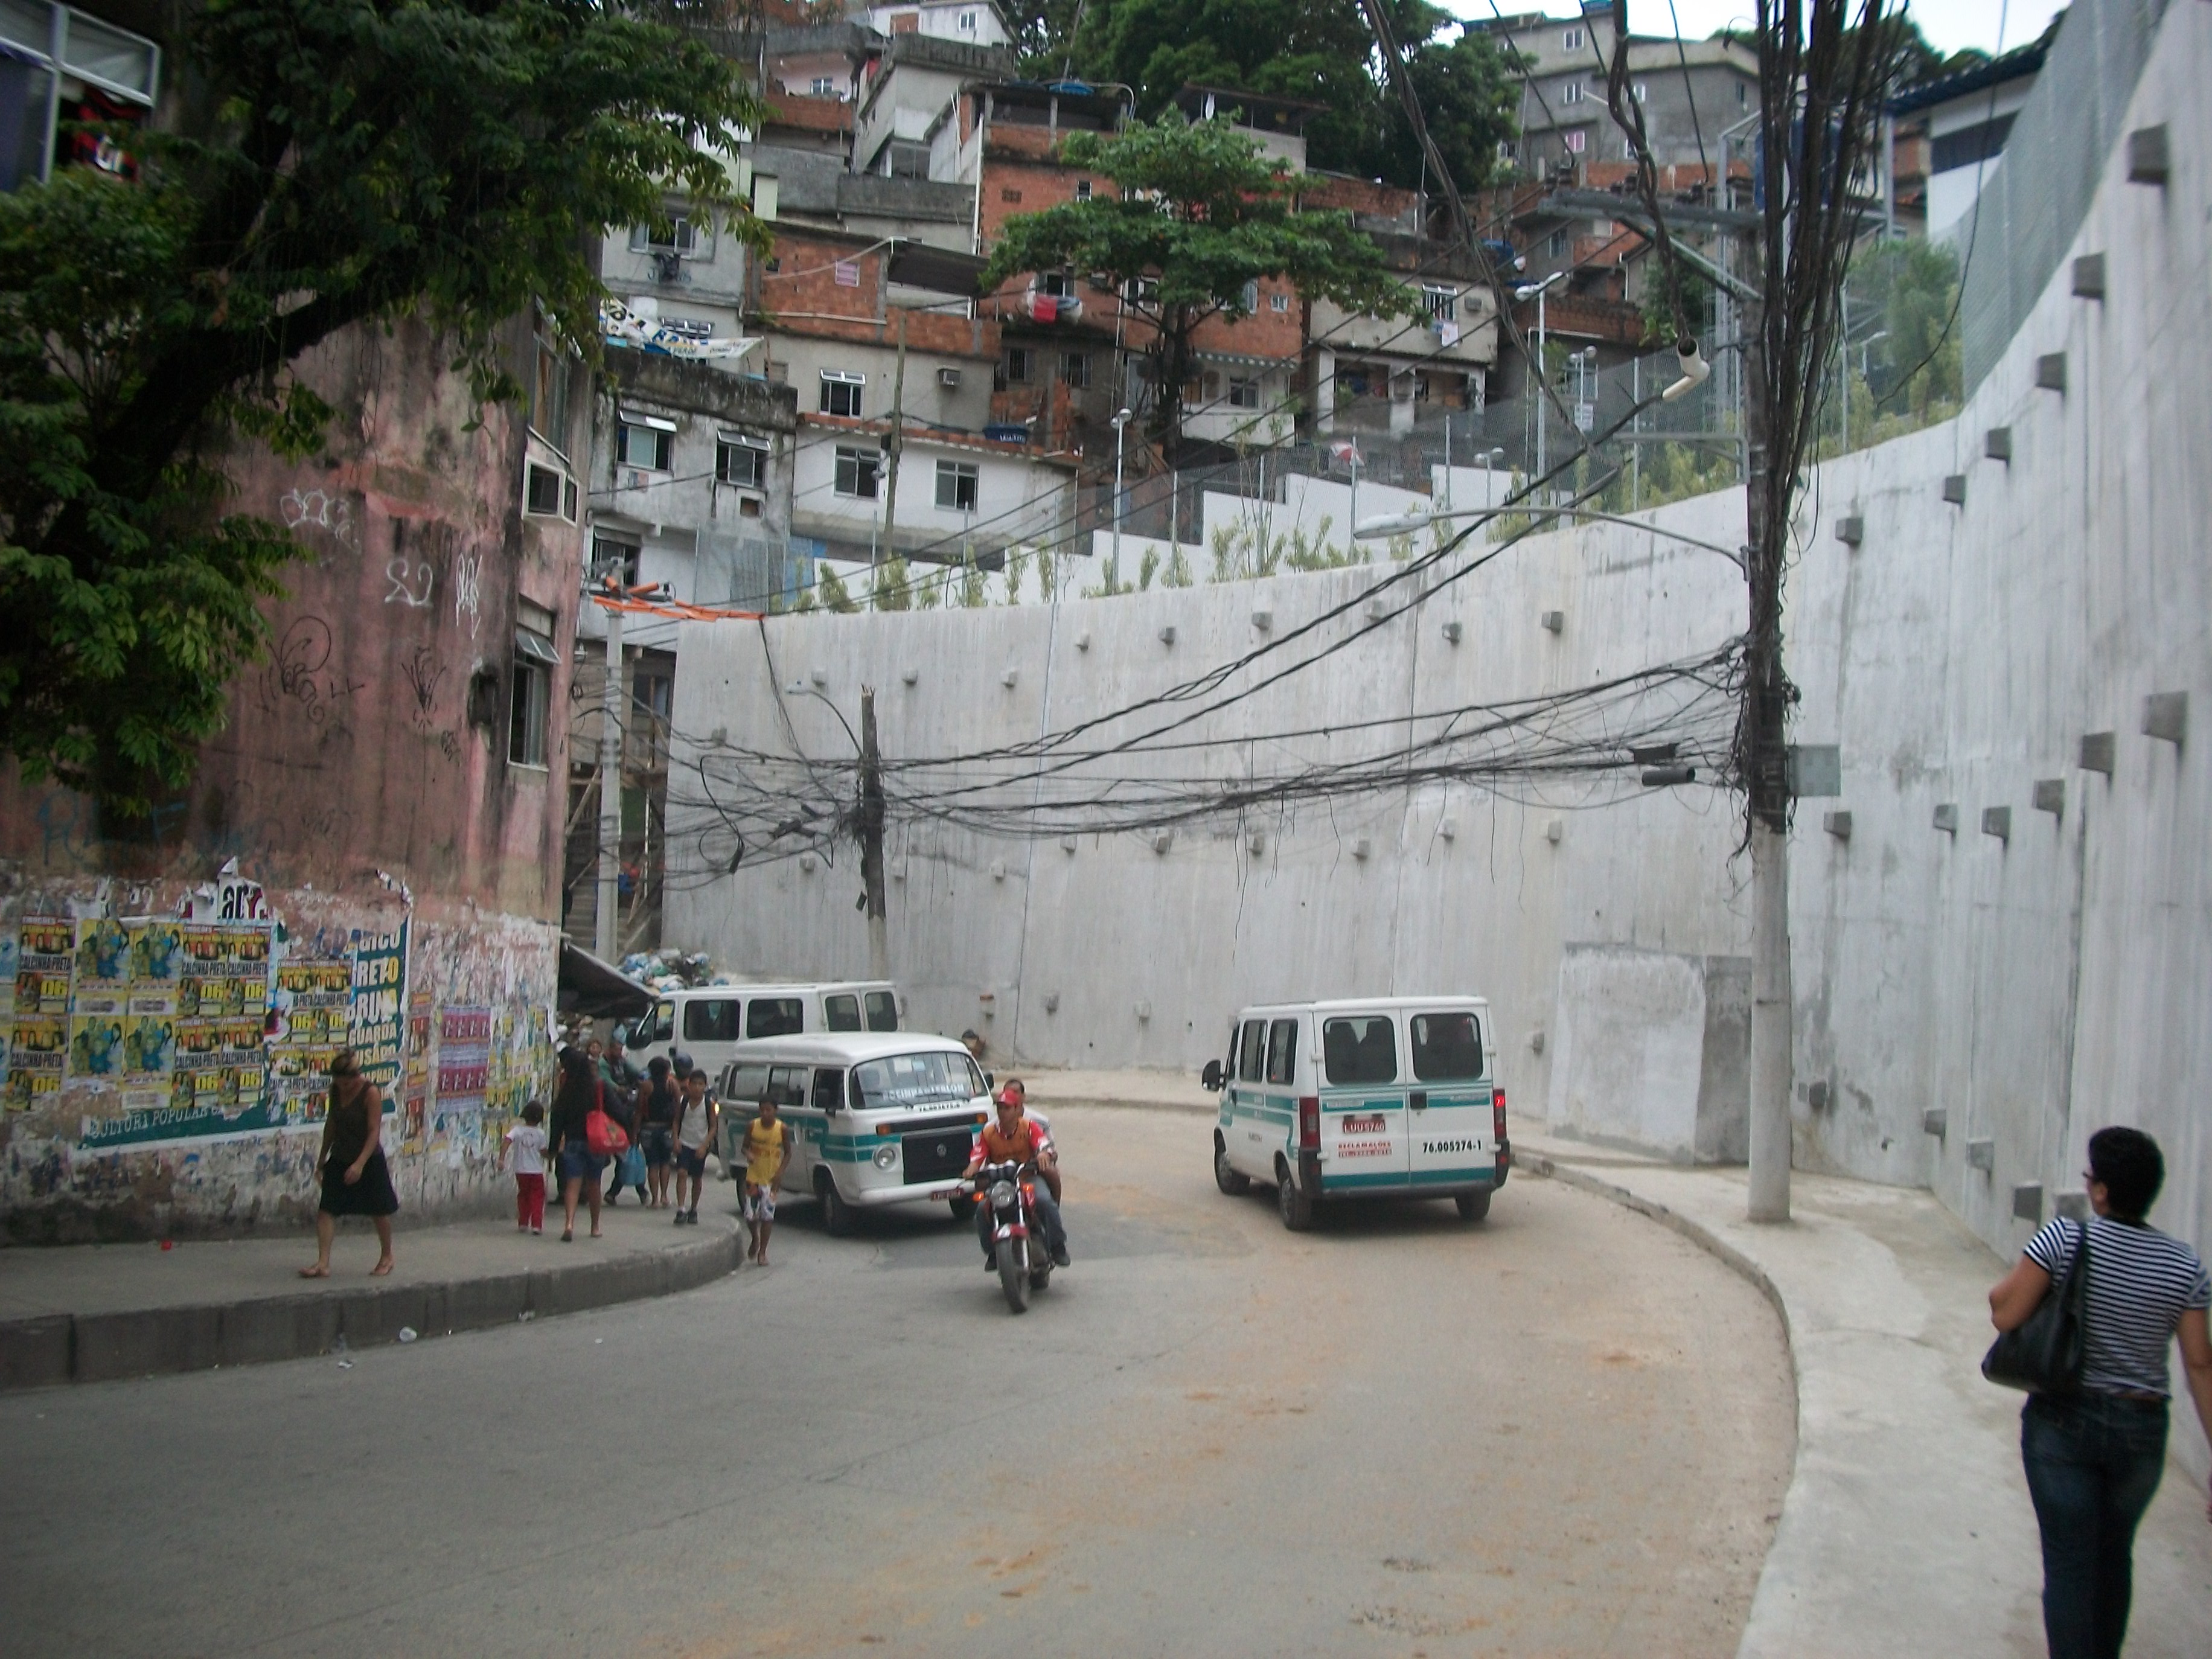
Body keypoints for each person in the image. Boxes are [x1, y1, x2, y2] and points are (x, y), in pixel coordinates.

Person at [1989, 1126, 2212, 1658]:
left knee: (2069, 1564)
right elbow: (2200, 1363)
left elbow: (2005, 1313)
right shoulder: (2185, 1265)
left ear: (2103, 1191)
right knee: (2114, 1557)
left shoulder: (2065, 1240)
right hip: (2142, 1434)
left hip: (2063, 1424)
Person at [299, 1049, 399, 1277]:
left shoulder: (370, 1093)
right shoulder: (335, 1090)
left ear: (356, 1077)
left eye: (346, 1083)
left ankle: (387, 1256)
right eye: (339, 1082)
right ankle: (323, 1263)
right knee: (327, 1209)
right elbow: (332, 1124)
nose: (343, 1087)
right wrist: (322, 1158)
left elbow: (374, 1132)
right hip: (340, 1155)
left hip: (368, 1158)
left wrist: (360, 1164)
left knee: (379, 1210)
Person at [962, 1080, 1068, 1271]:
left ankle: (1057, 1245)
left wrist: (1043, 1154)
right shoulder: (989, 1132)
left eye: (1007, 1108)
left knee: (1044, 1202)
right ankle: (993, 1253)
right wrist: (972, 1167)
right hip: (1000, 1182)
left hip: (1027, 1178)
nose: (1003, 1112)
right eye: (1000, 1108)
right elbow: (978, 1154)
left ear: (1017, 1109)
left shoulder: (1029, 1126)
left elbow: (1043, 1144)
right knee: (981, 1210)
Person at [548, 1047, 606, 1242]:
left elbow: (557, 1119)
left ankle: (569, 1224)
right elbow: (616, 1109)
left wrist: (553, 1148)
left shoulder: (567, 1091)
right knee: (594, 1184)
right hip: (595, 1141)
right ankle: (595, 1226)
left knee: (572, 1184)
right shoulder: (598, 1087)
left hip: (573, 1141)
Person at [739, 1093, 793, 1265]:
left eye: (768, 1110)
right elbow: (744, 1147)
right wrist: (749, 1154)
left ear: (775, 1111)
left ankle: (763, 1251)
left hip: (771, 1179)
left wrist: (780, 1173)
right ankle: (755, 1238)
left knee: (767, 1216)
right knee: (750, 1215)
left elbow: (788, 1153)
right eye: (762, 1110)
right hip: (753, 1177)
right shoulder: (752, 1126)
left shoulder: (781, 1128)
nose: (765, 1114)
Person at [672, 1067, 718, 1226]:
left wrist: (705, 1146)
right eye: (695, 1084)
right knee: (682, 1173)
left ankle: (693, 1208)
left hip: (700, 1146)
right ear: (689, 1085)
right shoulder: (683, 1102)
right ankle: (681, 1209)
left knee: (697, 1178)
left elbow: (713, 1127)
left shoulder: (709, 1104)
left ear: (705, 1086)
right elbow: (676, 1121)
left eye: (701, 1084)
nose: (697, 1088)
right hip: (685, 1143)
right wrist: (676, 1139)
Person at [637, 1055, 680, 1209]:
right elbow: (678, 1107)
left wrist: (635, 1132)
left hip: (648, 1128)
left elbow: (639, 1110)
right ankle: (664, 1196)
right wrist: (676, 1130)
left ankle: (655, 1199)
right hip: (666, 1128)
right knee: (665, 1163)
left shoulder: (646, 1086)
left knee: (653, 1165)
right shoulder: (672, 1084)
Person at [507, 1100, 548, 1235]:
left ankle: (523, 1223)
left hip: (521, 1170)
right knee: (537, 1197)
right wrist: (553, 1154)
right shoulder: (540, 1134)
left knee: (523, 1195)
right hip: (536, 1171)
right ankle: (536, 1225)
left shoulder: (517, 1130)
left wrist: (501, 1159)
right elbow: (543, 1152)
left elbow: (507, 1140)